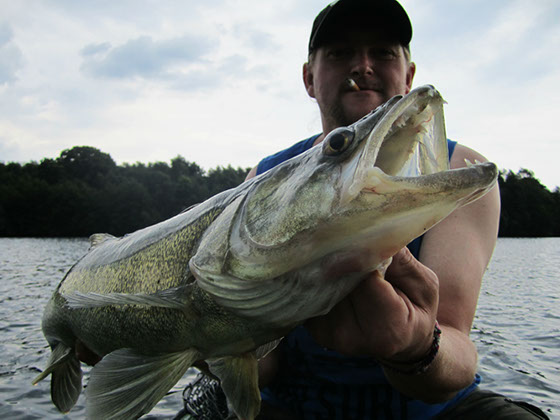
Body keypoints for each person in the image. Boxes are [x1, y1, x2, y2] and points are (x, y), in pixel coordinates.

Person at [240, 0, 549, 418]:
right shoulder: (263, 178)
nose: (363, 65)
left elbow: (456, 344)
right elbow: (264, 367)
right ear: (309, 78)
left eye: (383, 53)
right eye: (339, 53)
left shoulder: (460, 172)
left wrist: (415, 344)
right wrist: (204, 341)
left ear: (409, 75)